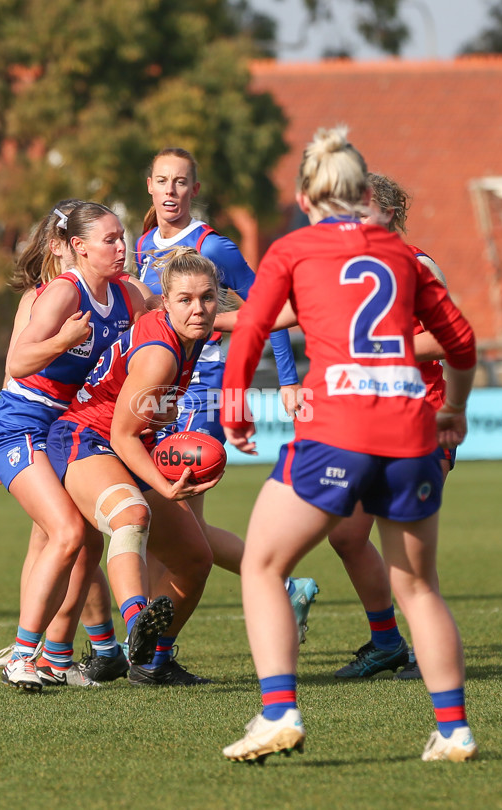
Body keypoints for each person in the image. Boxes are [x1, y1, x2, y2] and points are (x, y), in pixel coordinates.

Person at [220, 126, 478, 764]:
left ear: (306, 198)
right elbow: (463, 342)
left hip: (337, 429)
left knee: (262, 565)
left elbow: (252, 327)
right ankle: (454, 730)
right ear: (363, 191)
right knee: (420, 586)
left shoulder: (295, 248)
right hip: (410, 431)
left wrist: (235, 409)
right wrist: (454, 408)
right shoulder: (404, 256)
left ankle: (279, 711)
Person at [136, 146, 319, 641]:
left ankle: (154, 647)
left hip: (203, 390)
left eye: (181, 182)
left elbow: (266, 310)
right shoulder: (142, 244)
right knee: (168, 522)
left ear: (195, 190)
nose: (171, 191)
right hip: (162, 388)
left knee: (175, 517)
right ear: (149, 187)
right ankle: (284, 588)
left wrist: (287, 379)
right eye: (163, 181)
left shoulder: (213, 248)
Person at [0, 201, 148, 691]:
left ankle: (58, 656)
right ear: (77, 247)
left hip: (67, 429)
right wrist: (64, 339)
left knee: (82, 541)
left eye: (123, 238)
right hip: (21, 424)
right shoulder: (61, 293)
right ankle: (22, 654)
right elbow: (17, 361)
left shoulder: (126, 294)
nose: (122, 247)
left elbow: (172, 317)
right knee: (66, 534)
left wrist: (264, 318)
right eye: (111, 240)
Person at [47, 247, 222, 686]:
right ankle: (135, 623)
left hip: (129, 442)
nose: (197, 308)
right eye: (185, 299)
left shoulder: (192, 332)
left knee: (195, 559)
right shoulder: (161, 353)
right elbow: (122, 434)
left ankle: (153, 661)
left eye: (207, 297)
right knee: (132, 516)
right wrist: (164, 488)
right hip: (84, 439)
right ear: (167, 302)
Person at [331, 172, 454, 681]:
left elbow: (448, 338)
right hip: (369, 426)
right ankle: (386, 643)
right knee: (346, 534)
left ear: (387, 215)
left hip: (422, 422)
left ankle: (436, 662)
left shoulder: (418, 266)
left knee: (407, 561)